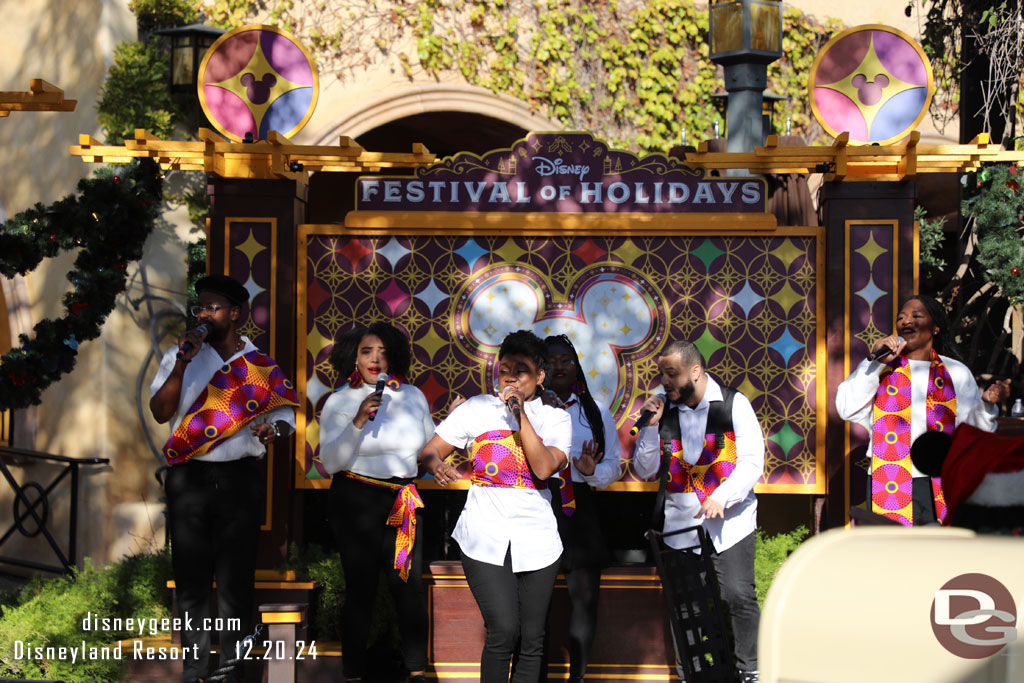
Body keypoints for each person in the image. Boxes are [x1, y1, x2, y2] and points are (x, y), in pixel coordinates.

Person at [149, 274, 298, 683]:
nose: (204, 315)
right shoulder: (181, 355)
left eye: (213, 308)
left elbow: (286, 419)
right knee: (192, 578)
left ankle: (232, 671)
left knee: (236, 579)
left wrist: (275, 432)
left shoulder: (259, 364)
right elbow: (161, 412)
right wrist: (182, 360)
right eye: (200, 307)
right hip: (189, 479)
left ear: (235, 313)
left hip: (239, 480)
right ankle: (195, 670)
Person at [418, 330, 571, 683]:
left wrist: (520, 415)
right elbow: (430, 451)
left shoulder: (555, 419)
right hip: (483, 536)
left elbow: (544, 467)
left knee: (532, 639)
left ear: (540, 377)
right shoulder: (476, 409)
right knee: (503, 630)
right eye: (505, 370)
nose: (511, 378)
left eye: (522, 370)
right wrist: (437, 465)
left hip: (538, 540)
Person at [632, 340, 764, 683]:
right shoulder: (665, 411)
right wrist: (649, 427)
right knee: (685, 604)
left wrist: (723, 496)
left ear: (695, 371)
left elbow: (752, 462)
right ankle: (690, 673)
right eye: (662, 373)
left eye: (672, 373)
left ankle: (750, 669)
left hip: (730, 523)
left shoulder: (734, 404)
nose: (665, 381)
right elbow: (645, 470)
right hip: (680, 527)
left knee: (738, 595)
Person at [318, 322, 433, 683]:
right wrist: (357, 420)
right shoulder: (339, 400)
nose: (375, 359)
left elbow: (427, 453)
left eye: (383, 352)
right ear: (353, 356)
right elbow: (332, 462)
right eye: (367, 351)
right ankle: (352, 673)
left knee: (408, 586)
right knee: (361, 588)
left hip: (402, 504)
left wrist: (445, 445)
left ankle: (417, 671)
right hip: (356, 501)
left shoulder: (413, 396)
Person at [836, 295, 1009, 526]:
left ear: (936, 327)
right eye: (901, 318)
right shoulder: (881, 368)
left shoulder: (955, 372)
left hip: (941, 479)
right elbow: (847, 409)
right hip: (888, 479)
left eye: (917, 316)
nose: (907, 321)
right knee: (892, 554)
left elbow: (973, 432)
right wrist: (875, 363)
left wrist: (986, 405)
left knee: (939, 555)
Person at [542, 334, 622, 683]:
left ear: (576, 366)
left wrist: (591, 472)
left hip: (581, 510)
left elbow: (614, 468)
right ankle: (535, 675)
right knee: (535, 601)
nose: (559, 366)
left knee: (585, 598)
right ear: (539, 368)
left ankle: (579, 677)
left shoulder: (595, 411)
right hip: (539, 506)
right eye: (551, 360)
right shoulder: (529, 410)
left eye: (566, 360)